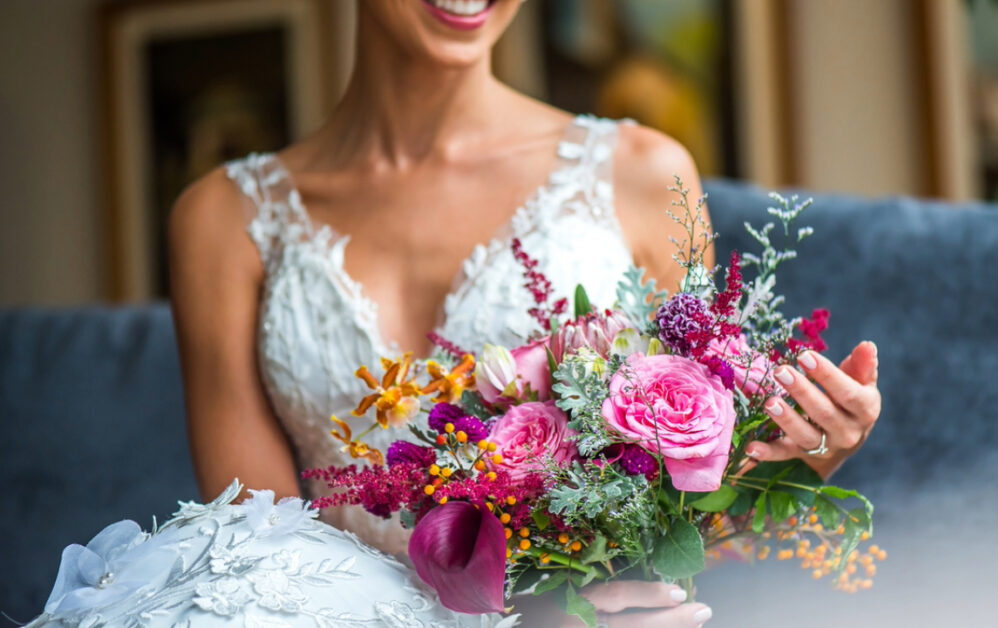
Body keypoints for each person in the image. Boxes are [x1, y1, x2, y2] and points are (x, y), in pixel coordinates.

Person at [35, 1, 881, 625]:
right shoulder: (222, 220)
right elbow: (251, 560)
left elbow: (679, 524)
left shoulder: (642, 173)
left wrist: (793, 460)